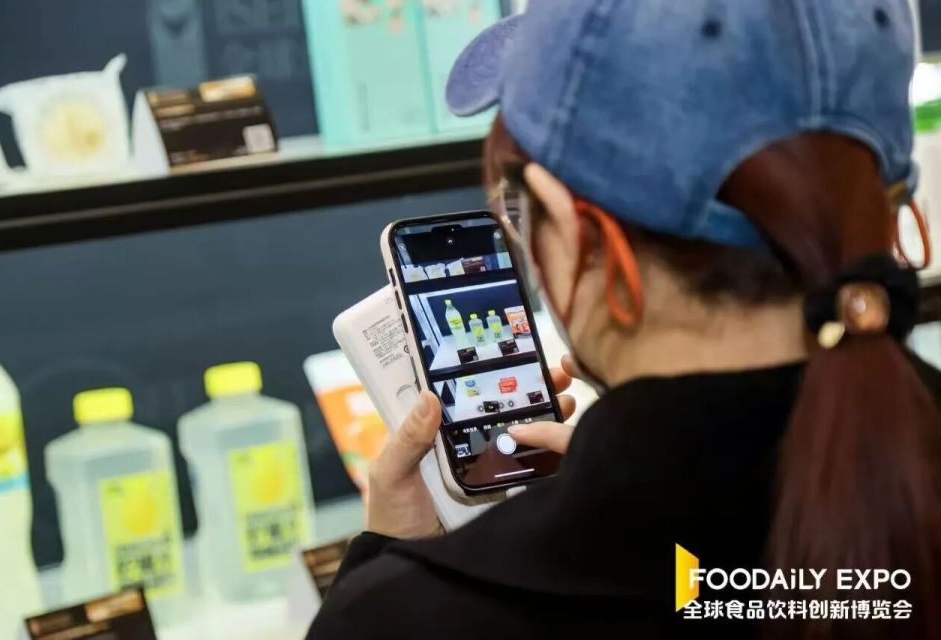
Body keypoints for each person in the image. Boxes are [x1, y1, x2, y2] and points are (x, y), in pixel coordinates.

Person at [308, 1, 941, 638]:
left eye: (518, 210)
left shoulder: (405, 617)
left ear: (574, 234)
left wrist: (386, 559)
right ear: (894, 210)